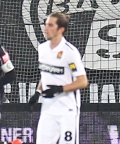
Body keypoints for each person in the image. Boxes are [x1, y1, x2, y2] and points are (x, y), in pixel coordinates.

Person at [31, 13, 88, 144]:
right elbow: (46, 73)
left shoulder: (70, 52)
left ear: (61, 29)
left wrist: (60, 89)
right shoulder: (42, 49)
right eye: (46, 25)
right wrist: (38, 92)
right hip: (48, 108)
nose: (46, 28)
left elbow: (82, 81)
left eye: (50, 25)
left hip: (67, 110)